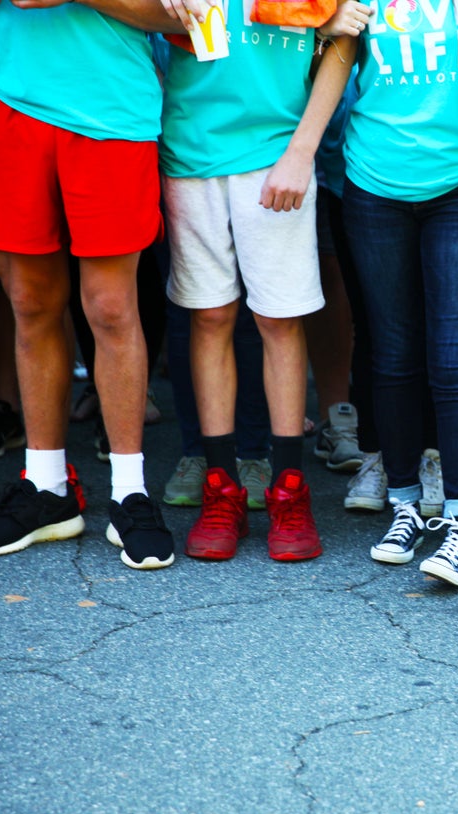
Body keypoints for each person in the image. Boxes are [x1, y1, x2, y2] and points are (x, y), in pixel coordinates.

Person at [0, 0, 175, 569]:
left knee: (110, 307)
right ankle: (48, 486)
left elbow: (184, 18)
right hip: (16, 103)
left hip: (111, 111)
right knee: (29, 302)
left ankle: (130, 490)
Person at [156, 0, 357, 562]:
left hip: (278, 151)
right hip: (190, 150)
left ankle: (289, 490)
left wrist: (302, 150)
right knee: (210, 315)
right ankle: (221, 489)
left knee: (278, 319)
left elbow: (345, 45)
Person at [339, 0, 458, 587]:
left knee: (457, 361)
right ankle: (405, 508)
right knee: (393, 354)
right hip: (374, 184)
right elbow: (335, 55)